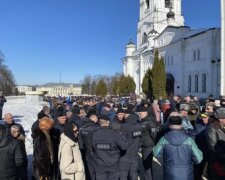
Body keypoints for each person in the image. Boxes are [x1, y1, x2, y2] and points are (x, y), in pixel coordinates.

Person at [153, 115, 203, 180]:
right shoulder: (189, 140)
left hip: (169, 173)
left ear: (170, 125)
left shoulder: (164, 139)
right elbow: (198, 159)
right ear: (181, 125)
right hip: (186, 174)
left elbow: (156, 153)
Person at [91, 114, 128, 180]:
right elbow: (124, 147)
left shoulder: (94, 134)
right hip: (113, 164)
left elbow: (92, 148)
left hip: (100, 164)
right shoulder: (114, 133)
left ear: (99, 122)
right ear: (108, 122)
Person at [138, 106, 158, 180]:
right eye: (139, 113)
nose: (139, 115)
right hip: (142, 146)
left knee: (147, 166)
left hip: (148, 147)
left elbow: (154, 135)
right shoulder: (140, 122)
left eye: (141, 113)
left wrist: (152, 143)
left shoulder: (150, 123)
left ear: (146, 113)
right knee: (145, 164)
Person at [206, 108, 225, 180]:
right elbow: (213, 147)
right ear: (220, 119)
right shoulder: (212, 128)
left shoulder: (223, 126)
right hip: (218, 162)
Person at [79, 114, 99, 180]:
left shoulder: (81, 128)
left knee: (89, 171)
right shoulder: (97, 128)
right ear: (96, 120)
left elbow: (80, 143)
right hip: (95, 153)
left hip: (85, 153)